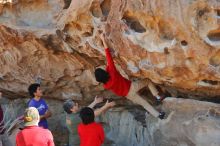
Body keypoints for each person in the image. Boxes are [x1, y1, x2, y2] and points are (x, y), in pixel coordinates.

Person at [94, 33, 165, 119]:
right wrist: (103, 40)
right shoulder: (112, 72)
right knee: (147, 81)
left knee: (144, 104)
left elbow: (108, 68)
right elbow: (109, 57)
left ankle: (158, 115)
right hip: (132, 87)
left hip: (128, 95)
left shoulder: (106, 85)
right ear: (103, 72)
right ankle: (157, 96)